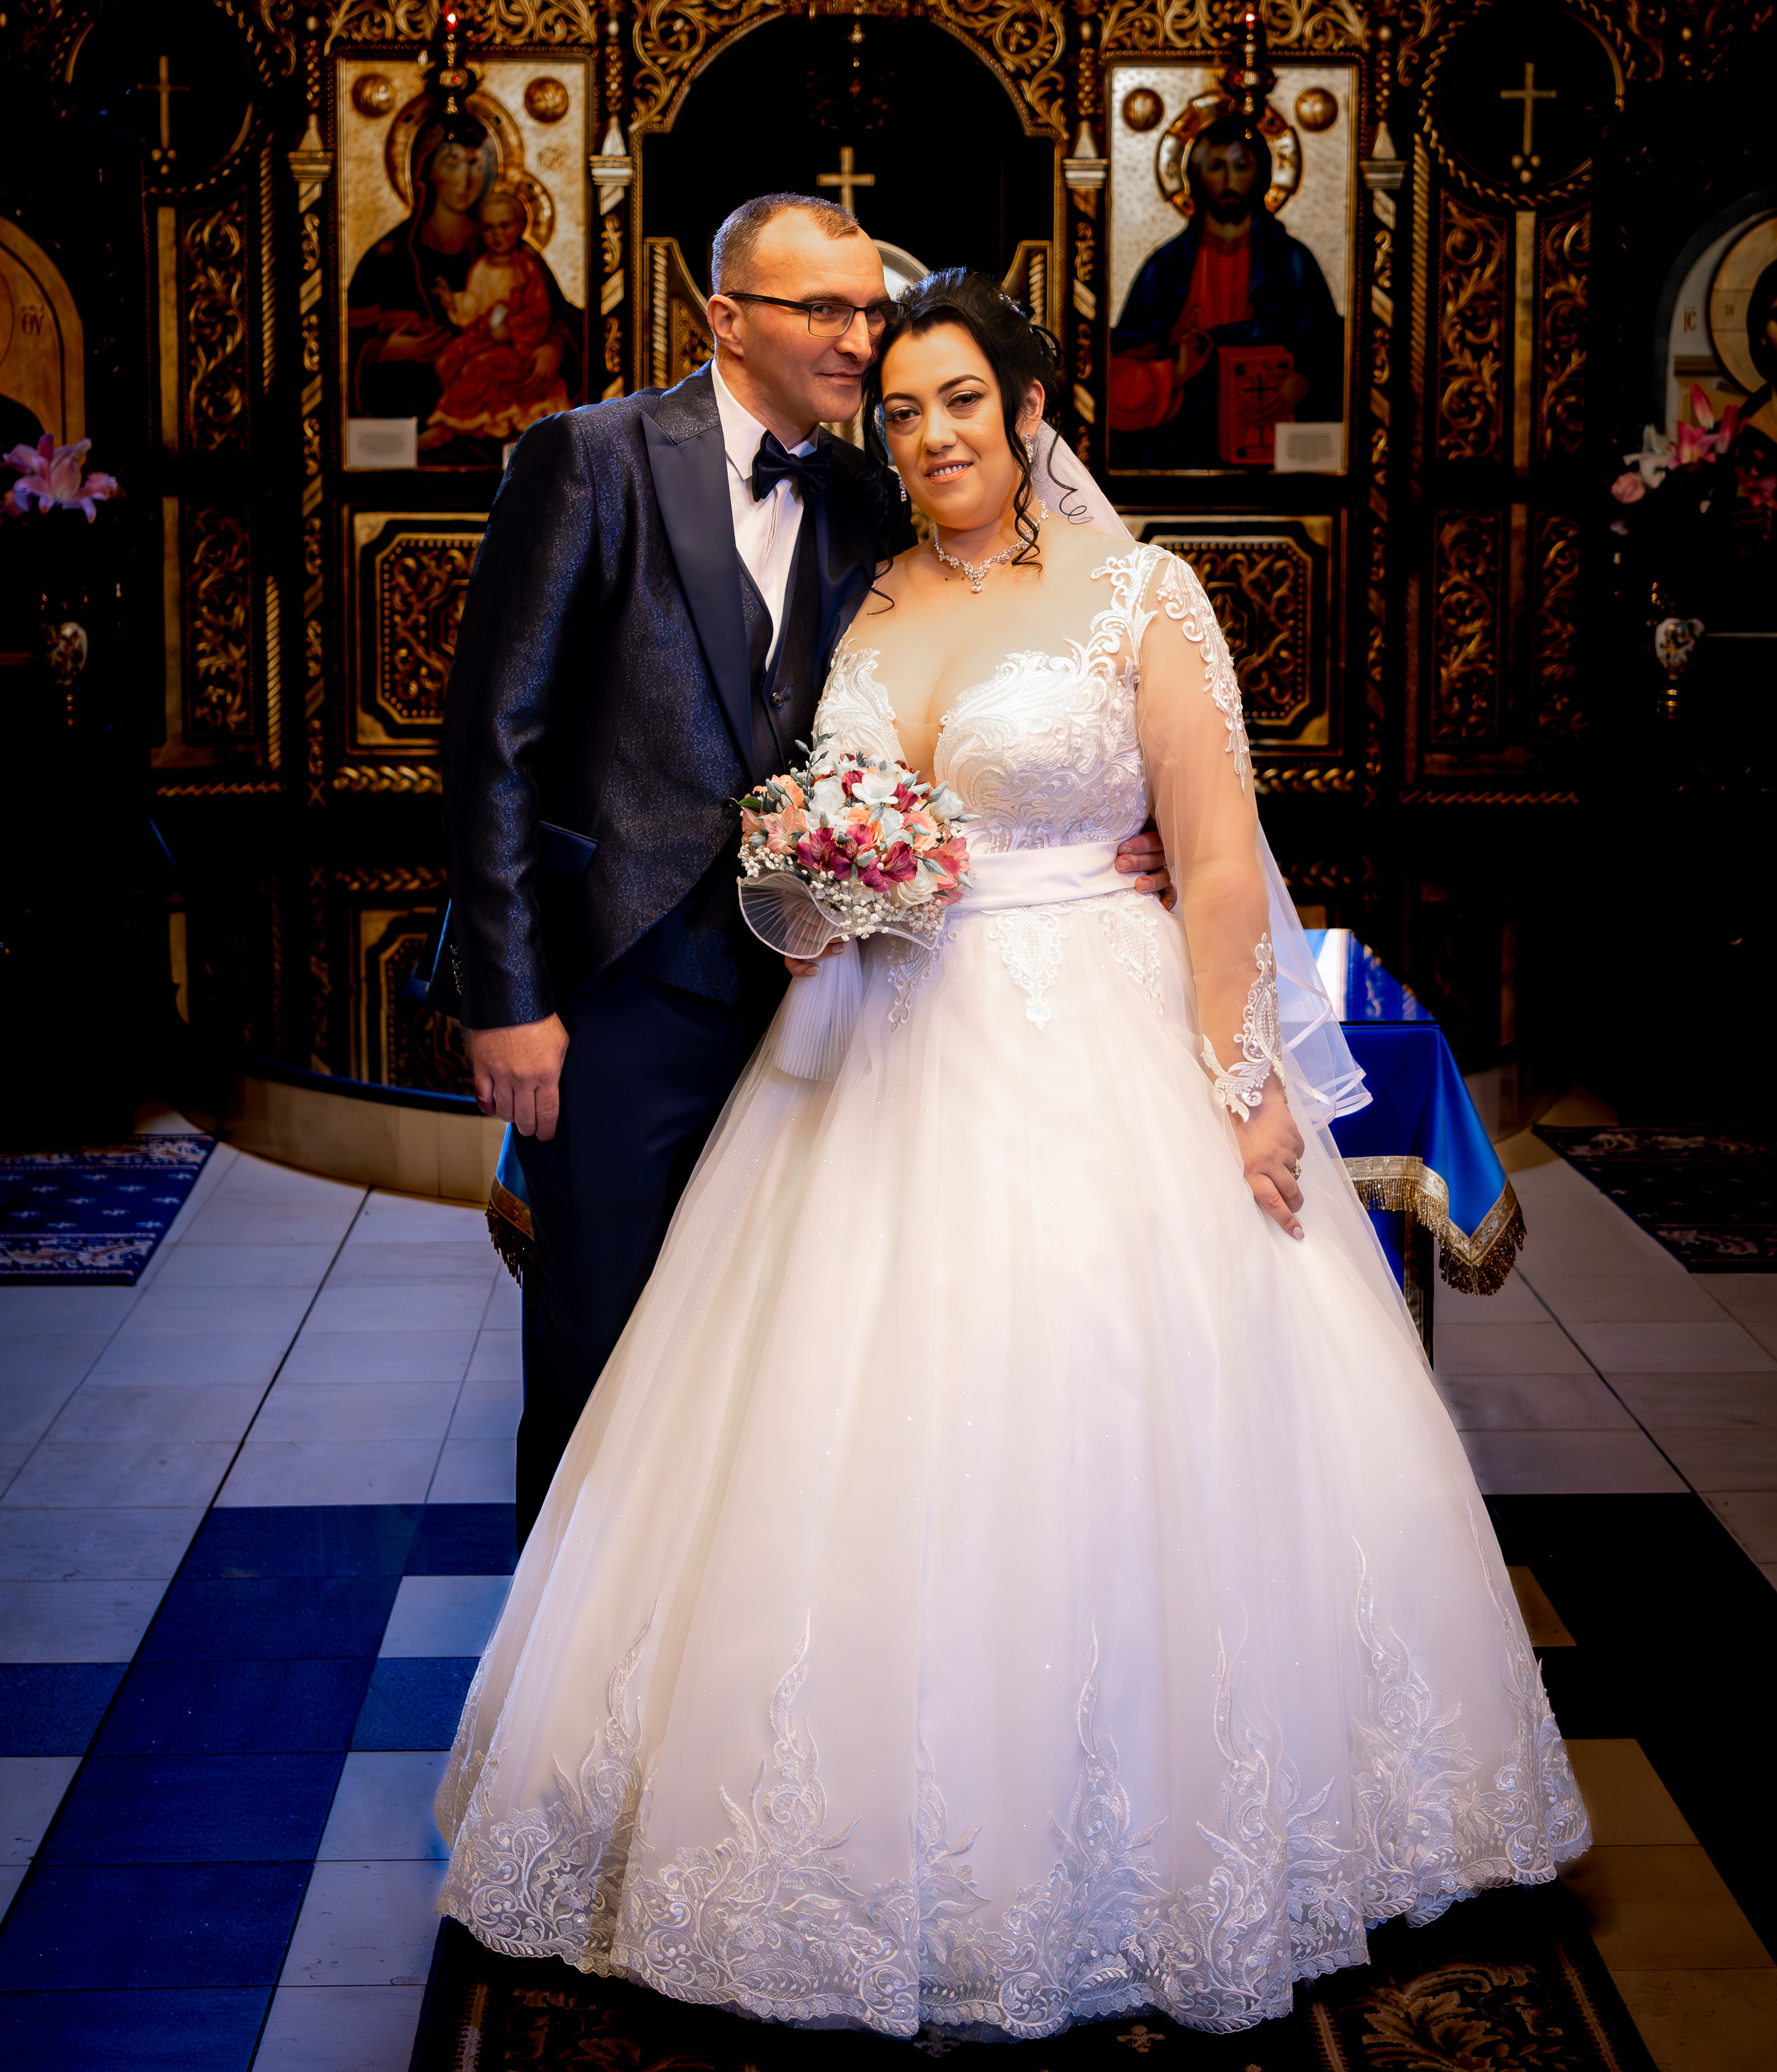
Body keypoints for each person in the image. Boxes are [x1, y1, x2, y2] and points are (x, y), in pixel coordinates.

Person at [434, 271, 1587, 2040]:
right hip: (867, 1046)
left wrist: (1241, 1077)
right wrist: (814, 898)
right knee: (828, 1424)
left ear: (1032, 408)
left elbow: (1214, 854)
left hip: (1097, 1038)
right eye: (899, 412)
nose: (929, 436)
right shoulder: (872, 595)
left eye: (961, 399)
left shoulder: (1142, 594)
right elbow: (805, 841)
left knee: (1117, 1409)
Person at [441, 191, 1178, 1540]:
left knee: (761, 1363)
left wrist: (1120, 817)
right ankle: (561, 1645)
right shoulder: (589, 457)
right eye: (823, 310)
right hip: (620, 987)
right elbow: (495, 738)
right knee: (599, 1347)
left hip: (819, 999)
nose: (857, 338)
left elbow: (987, 663)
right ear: (727, 319)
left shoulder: (869, 493)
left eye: (869, 312)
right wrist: (507, 998)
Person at [1109, 113, 1342, 471]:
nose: (1229, 180)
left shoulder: (1291, 261)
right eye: (1216, 166)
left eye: (1241, 166)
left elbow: (1332, 352)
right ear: (1196, 177)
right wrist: (1174, 371)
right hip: (1182, 450)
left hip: (1275, 444)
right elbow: (1119, 371)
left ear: (1262, 175)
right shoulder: (1167, 267)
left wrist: (1303, 380)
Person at [346, 111, 580, 455]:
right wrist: (382, 351)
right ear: (427, 170)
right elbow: (335, 341)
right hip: (405, 421)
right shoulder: (388, 256)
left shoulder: (513, 254)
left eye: (476, 164)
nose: (466, 179)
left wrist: (555, 345)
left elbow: (558, 313)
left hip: (501, 410)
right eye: (452, 162)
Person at [425, 191, 571, 445]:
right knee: (446, 360)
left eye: (505, 226)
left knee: (477, 367)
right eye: (489, 228)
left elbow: (539, 312)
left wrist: (511, 330)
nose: (497, 235)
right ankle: (476, 422)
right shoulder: (481, 266)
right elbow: (474, 303)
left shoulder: (526, 268)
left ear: (520, 226)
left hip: (518, 345)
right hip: (483, 337)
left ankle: (456, 423)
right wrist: (456, 303)